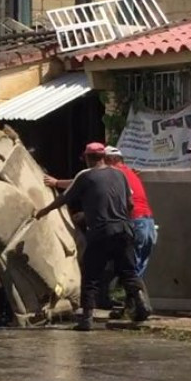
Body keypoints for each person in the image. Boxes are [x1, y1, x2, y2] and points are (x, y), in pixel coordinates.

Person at [35, 142, 152, 331]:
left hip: (101, 232)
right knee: (128, 271)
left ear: (89, 158)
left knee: (91, 276)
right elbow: (130, 204)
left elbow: (64, 198)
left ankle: (86, 319)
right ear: (104, 157)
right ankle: (140, 302)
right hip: (124, 230)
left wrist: (43, 211)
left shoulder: (85, 176)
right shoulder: (120, 174)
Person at [104, 146, 158, 276]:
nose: (101, 164)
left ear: (112, 159)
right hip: (148, 223)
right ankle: (135, 294)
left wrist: (57, 183)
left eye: (104, 160)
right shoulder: (129, 172)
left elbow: (90, 180)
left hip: (135, 221)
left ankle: (127, 294)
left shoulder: (115, 173)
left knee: (127, 267)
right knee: (137, 268)